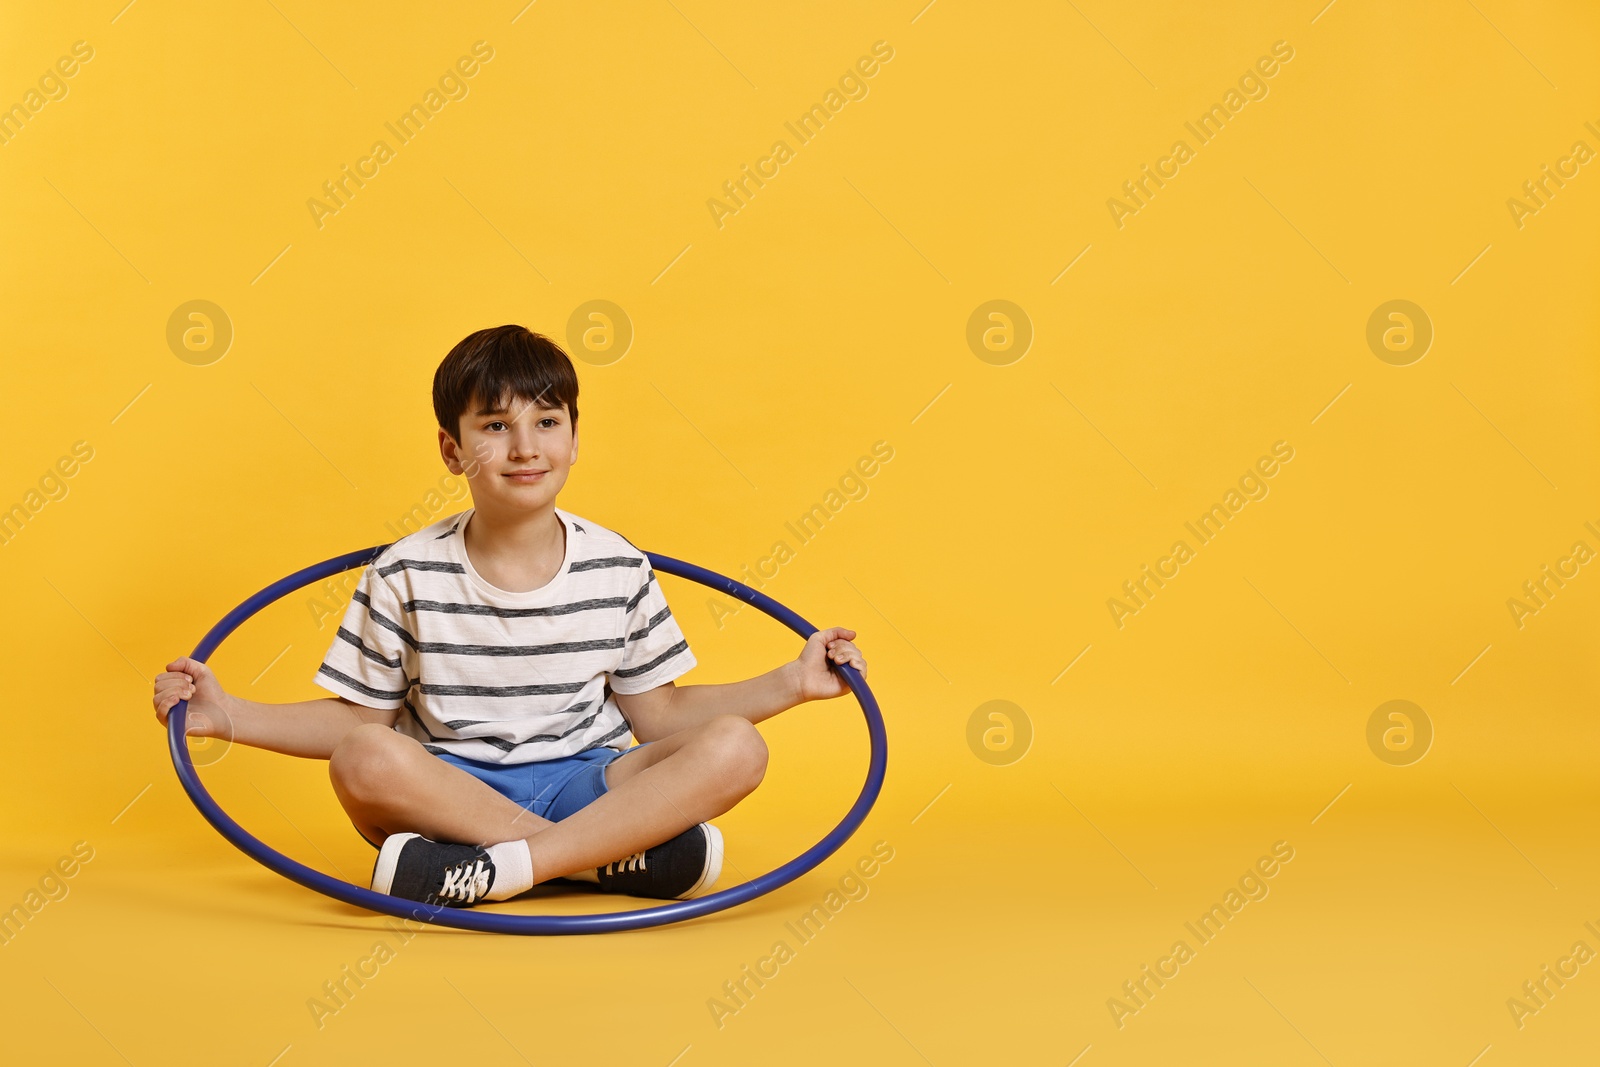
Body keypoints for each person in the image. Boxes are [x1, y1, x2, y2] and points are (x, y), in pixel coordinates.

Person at [151, 324, 867, 908]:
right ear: (452, 449)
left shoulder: (617, 566)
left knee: (737, 747)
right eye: (495, 425)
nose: (525, 447)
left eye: (547, 421)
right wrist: (229, 715)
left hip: (594, 779)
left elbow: (661, 716)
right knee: (365, 759)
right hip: (450, 792)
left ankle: (501, 868)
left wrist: (792, 682)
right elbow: (359, 724)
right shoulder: (405, 571)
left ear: (575, 438)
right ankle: (599, 859)